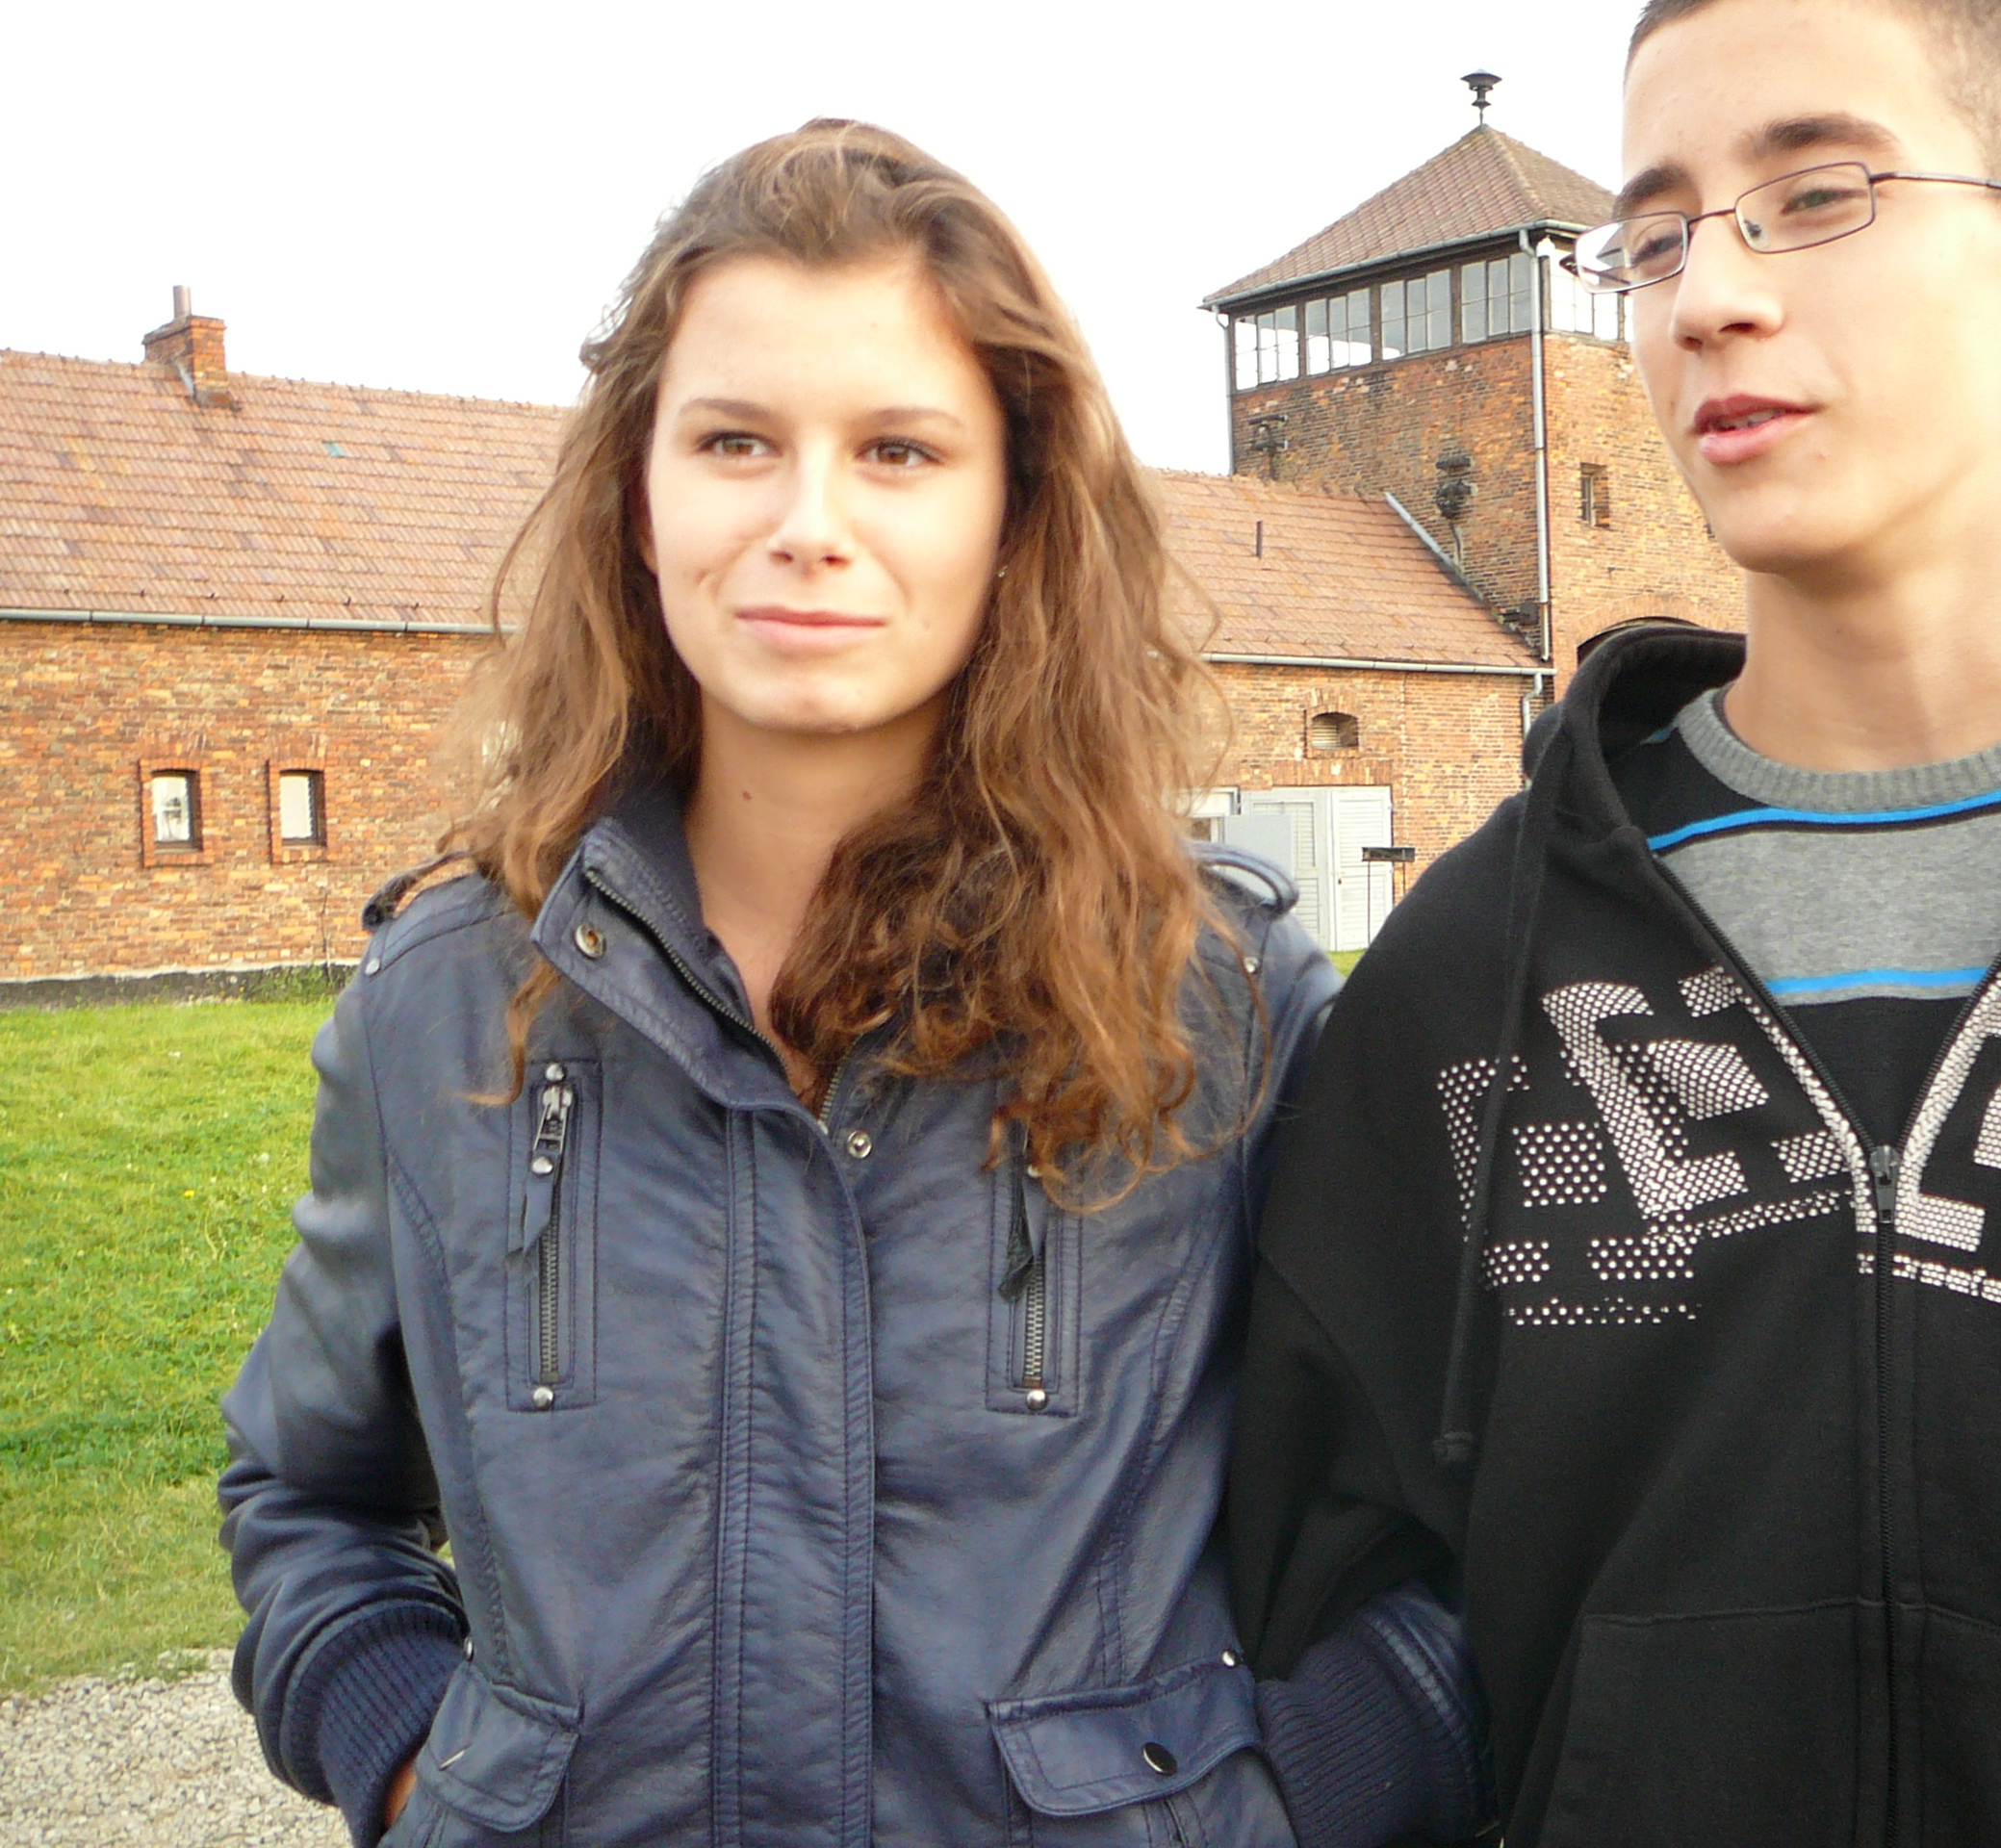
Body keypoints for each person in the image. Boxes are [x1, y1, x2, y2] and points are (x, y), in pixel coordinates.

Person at [1231, 2, 2001, 1843]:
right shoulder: (1475, 974)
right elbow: (1333, 1601)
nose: (1708, 298)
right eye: (1653, 238)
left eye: (1817, 195)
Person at [218, 121, 1486, 1848]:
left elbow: (1456, 1521)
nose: (807, 525)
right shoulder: (438, 1006)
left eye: (898, 450)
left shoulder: (1222, 1004)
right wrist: (417, 1768)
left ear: (1013, 508)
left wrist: (1285, 1804)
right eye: (735, 441)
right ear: (640, 497)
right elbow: (307, 1494)